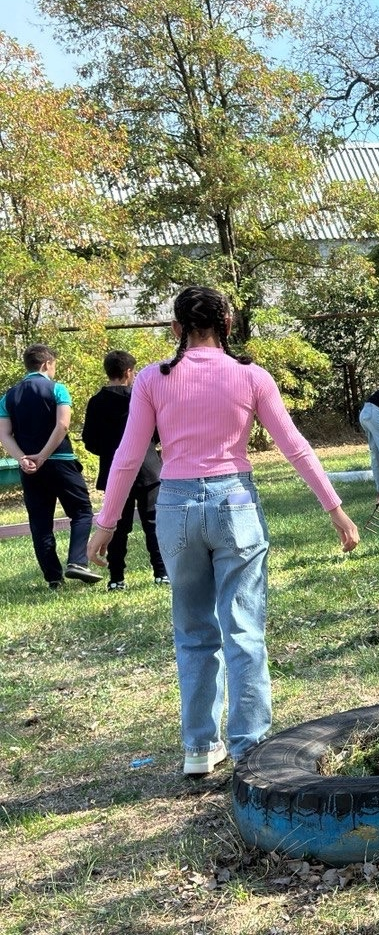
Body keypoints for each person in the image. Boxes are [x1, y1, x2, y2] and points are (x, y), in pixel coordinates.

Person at [86, 286, 359, 777]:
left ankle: (198, 747)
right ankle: (250, 748)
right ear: (228, 325)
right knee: (244, 629)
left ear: (176, 330)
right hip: (235, 501)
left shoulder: (150, 379)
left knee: (192, 631)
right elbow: (294, 447)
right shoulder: (250, 375)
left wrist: (105, 524)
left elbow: (128, 457)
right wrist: (335, 509)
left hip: (174, 505)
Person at [0, 345, 101, 589]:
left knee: (40, 521)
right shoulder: (57, 389)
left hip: (30, 468)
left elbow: (4, 434)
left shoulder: (8, 396)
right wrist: (44, 455)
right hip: (61, 462)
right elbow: (63, 425)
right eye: (53, 365)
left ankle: (53, 578)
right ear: (46, 364)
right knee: (81, 512)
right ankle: (77, 562)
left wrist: (23, 458)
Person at [82, 350, 168, 591]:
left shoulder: (96, 402)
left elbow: (89, 440)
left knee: (117, 527)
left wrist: (110, 452)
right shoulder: (141, 397)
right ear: (129, 371)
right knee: (153, 522)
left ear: (107, 372)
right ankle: (161, 573)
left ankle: (116, 578)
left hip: (114, 471)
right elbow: (158, 432)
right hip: (149, 468)